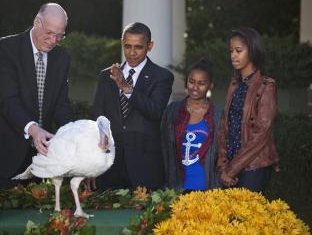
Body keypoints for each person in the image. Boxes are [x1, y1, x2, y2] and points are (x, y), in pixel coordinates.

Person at [0, 3, 74, 191]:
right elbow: (7, 101)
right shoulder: (6, 49)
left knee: (32, 219)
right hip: (1, 155)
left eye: (59, 36)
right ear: (37, 22)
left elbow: (61, 105)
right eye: (50, 33)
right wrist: (34, 130)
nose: (53, 40)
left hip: (37, 162)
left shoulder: (62, 57)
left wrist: (77, 135)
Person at [92, 22, 174, 190]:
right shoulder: (106, 76)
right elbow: (97, 118)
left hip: (146, 168)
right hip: (110, 167)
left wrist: (126, 88)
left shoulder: (162, 76)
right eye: (127, 46)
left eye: (138, 47)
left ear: (150, 46)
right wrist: (93, 162)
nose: (132, 53)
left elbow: (155, 111)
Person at [217, 27, 280, 192]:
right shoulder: (234, 85)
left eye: (238, 50)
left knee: (248, 216)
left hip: (254, 167)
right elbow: (225, 126)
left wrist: (231, 169)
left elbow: (261, 134)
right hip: (230, 166)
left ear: (252, 51)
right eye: (231, 51)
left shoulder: (267, 86)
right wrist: (223, 165)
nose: (233, 55)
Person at [161, 59, 222, 192]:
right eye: (192, 81)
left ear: (210, 85)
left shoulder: (218, 115)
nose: (195, 87)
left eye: (202, 83)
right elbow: (164, 147)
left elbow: (223, 152)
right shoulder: (173, 111)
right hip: (177, 185)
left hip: (207, 185)